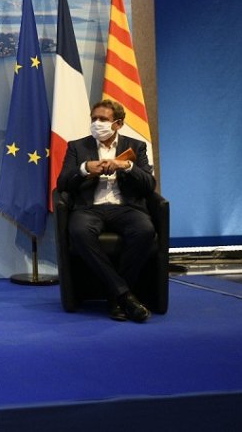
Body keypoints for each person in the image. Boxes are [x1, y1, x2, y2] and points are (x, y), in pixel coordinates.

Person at [57, 99, 157, 322]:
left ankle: (117, 298)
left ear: (118, 124)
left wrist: (127, 166)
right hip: (89, 208)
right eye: (94, 119)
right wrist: (84, 169)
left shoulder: (136, 146)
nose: (97, 123)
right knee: (80, 232)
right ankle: (124, 297)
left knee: (144, 231)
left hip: (126, 208)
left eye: (103, 119)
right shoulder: (77, 146)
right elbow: (62, 183)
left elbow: (149, 185)